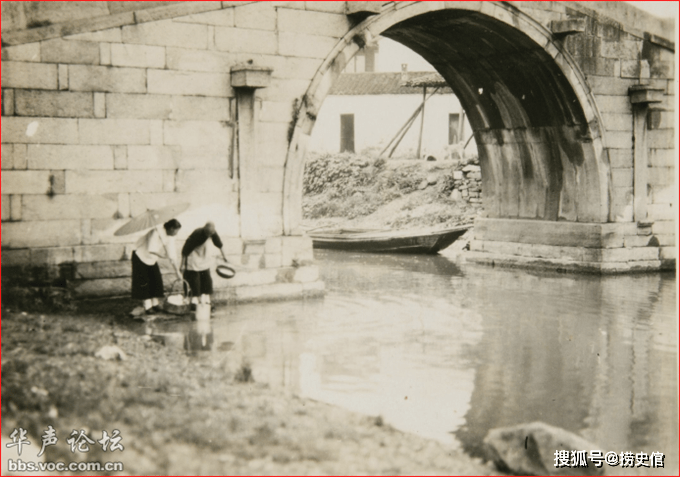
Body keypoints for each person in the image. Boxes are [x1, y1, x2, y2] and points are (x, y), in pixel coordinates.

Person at [131, 219, 182, 314]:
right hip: (140, 256)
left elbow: (172, 254)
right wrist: (162, 255)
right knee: (144, 282)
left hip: (151, 259)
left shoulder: (170, 236)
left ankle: (155, 303)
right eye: (176, 231)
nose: (176, 233)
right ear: (171, 228)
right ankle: (148, 306)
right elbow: (151, 249)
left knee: (156, 280)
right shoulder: (155, 232)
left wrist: (177, 272)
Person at [181, 221, 227, 311]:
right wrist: (182, 264)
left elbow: (220, 245)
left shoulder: (213, 233)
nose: (210, 235)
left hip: (204, 257)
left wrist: (225, 257)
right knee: (195, 280)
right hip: (193, 257)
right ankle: (194, 302)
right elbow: (185, 250)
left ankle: (206, 301)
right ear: (204, 230)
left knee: (207, 279)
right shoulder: (197, 234)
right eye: (208, 233)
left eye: (211, 233)